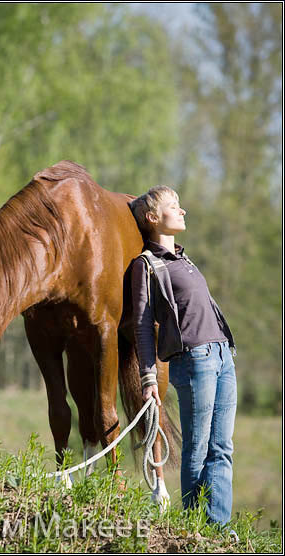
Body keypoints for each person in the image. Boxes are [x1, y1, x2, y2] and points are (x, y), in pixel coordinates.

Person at [130, 186, 237, 529]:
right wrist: (148, 379)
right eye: (173, 206)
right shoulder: (145, 265)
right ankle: (193, 530)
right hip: (195, 361)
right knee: (198, 449)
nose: (182, 211)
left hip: (222, 356)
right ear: (152, 218)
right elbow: (143, 326)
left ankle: (217, 529)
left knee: (222, 449)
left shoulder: (183, 259)